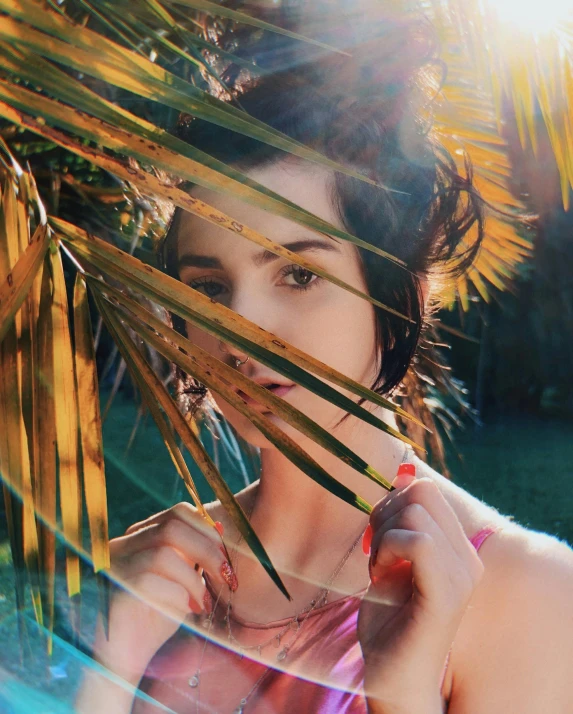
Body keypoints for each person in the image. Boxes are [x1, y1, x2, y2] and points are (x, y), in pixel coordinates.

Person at [75, 6, 573, 714]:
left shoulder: (528, 595)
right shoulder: (155, 576)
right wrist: (106, 669)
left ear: (396, 285)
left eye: (297, 274)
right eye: (210, 288)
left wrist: (402, 693)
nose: (242, 330)